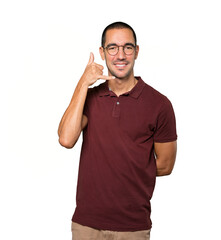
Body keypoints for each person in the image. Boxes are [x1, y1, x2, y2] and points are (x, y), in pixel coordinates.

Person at [58, 21, 177, 240]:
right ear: (102, 52)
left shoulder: (159, 104)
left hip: (133, 227)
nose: (120, 55)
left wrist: (123, 170)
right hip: (86, 224)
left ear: (136, 51)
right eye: (112, 48)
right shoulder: (89, 99)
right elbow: (66, 138)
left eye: (127, 47)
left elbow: (166, 164)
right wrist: (83, 83)